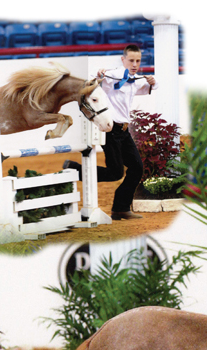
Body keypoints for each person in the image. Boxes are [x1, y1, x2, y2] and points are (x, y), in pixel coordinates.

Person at [64, 44, 156, 220]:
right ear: (123, 60)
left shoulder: (134, 81)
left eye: (138, 60)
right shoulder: (112, 75)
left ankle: (120, 208)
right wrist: (98, 76)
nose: (135, 64)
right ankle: (74, 169)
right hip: (110, 130)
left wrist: (153, 82)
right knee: (116, 173)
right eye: (131, 60)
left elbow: (148, 88)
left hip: (124, 130)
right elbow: (91, 81)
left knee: (137, 168)